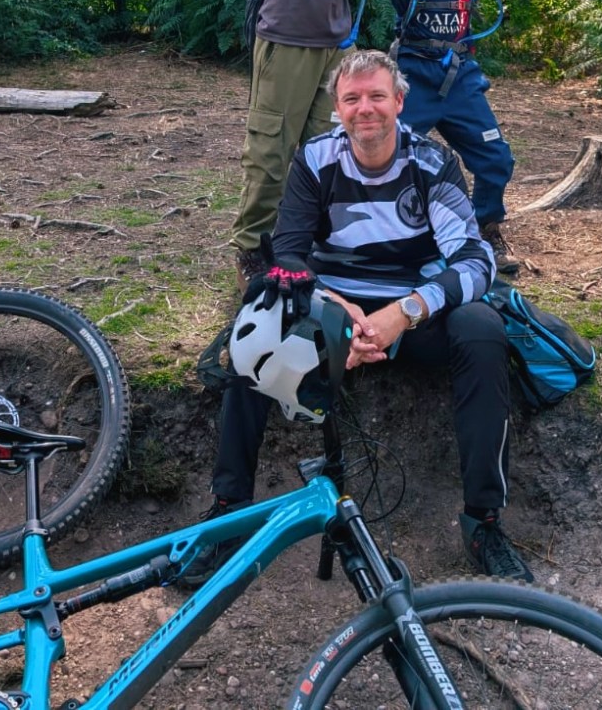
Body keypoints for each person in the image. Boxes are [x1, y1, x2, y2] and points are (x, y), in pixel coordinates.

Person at [191, 48, 531, 584]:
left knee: (483, 331)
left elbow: (473, 258)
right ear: (337, 108)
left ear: (399, 101)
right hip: (333, 306)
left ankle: (483, 521)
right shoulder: (316, 158)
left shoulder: (433, 162)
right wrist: (334, 309)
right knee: (251, 329)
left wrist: (405, 312)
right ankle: (227, 511)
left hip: (414, 311)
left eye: (377, 96)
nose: (365, 108)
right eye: (352, 98)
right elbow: (288, 252)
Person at [224, 0, 406, 286]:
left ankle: (304, 242)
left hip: (335, 54)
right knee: (270, 152)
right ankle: (252, 247)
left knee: (324, 153)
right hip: (283, 45)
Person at [354, 0, 542, 271]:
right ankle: (382, 234)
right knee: (383, 155)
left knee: (496, 160)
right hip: (411, 77)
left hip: (460, 78)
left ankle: (484, 229)